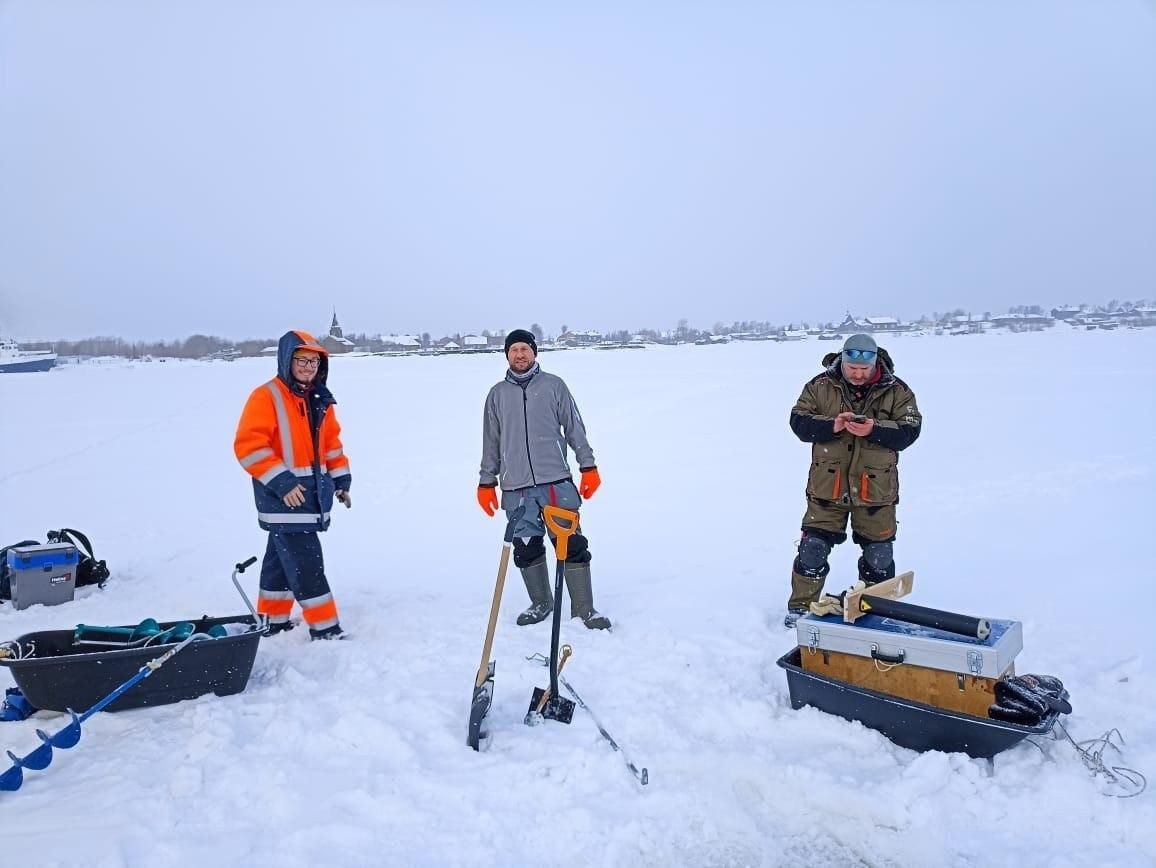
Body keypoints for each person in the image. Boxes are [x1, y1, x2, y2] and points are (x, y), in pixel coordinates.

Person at [784, 333, 922, 627]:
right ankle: (800, 610)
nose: (858, 375)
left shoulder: (898, 391)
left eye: (864, 370)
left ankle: (876, 611)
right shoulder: (820, 386)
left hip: (876, 491)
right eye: (852, 369)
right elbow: (798, 422)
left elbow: (909, 431)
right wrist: (832, 425)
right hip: (827, 488)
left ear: (875, 364)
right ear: (843, 361)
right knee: (812, 550)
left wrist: (874, 430)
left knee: (879, 556)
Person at [477, 329, 610, 630]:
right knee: (526, 547)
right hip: (516, 487)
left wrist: (588, 466)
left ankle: (584, 609)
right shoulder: (497, 394)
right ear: (507, 355)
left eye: (524, 349)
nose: (519, 354)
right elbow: (491, 442)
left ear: (534, 352)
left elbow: (575, 428)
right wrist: (486, 482)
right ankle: (541, 603)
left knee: (572, 543)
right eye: (514, 350)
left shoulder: (554, 386)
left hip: (555, 482)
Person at [234, 330, 351, 640]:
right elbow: (249, 446)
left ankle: (272, 620)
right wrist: (283, 482)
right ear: (287, 360)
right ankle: (326, 629)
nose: (308, 366)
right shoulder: (266, 396)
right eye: (302, 360)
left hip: (311, 496)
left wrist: (341, 480)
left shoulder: (320, 399)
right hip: (283, 498)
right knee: (306, 564)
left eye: (314, 361)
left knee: (279, 560)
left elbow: (331, 445)